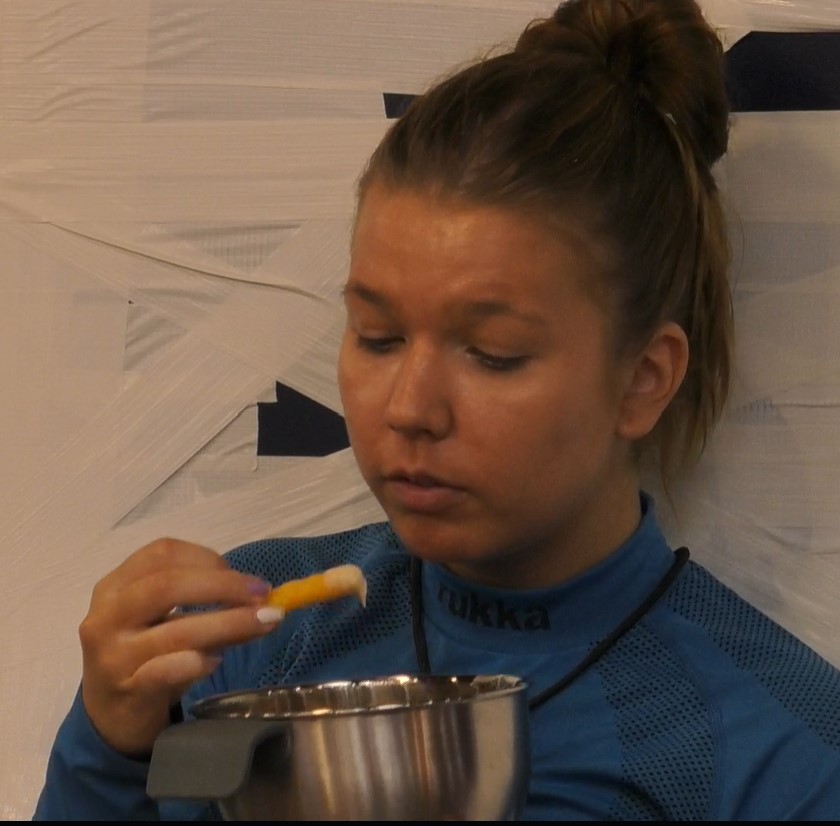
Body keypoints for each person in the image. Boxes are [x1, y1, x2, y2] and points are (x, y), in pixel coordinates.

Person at [33, 0, 840, 820]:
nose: (410, 407)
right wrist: (108, 751)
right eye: (377, 337)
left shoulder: (781, 752)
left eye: (492, 353)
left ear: (643, 379)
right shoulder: (250, 636)